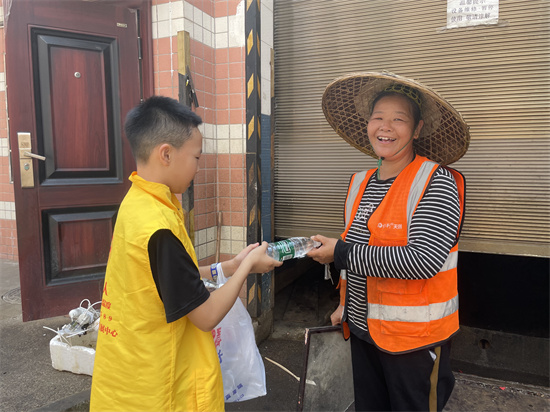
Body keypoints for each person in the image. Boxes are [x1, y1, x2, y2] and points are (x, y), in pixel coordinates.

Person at [90, 96, 282, 412]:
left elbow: (167, 280)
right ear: (166, 154)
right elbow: (205, 316)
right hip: (158, 388)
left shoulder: (137, 202)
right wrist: (247, 266)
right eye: (196, 157)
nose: (198, 167)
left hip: (126, 374)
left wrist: (230, 265)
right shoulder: (159, 228)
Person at [308, 72, 469, 412]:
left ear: (417, 129)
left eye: (399, 119)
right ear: (367, 124)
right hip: (363, 333)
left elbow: (422, 261)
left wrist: (338, 252)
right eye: (378, 117)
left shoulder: (436, 182)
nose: (385, 127)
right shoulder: (359, 182)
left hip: (415, 344)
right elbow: (357, 251)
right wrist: (344, 306)